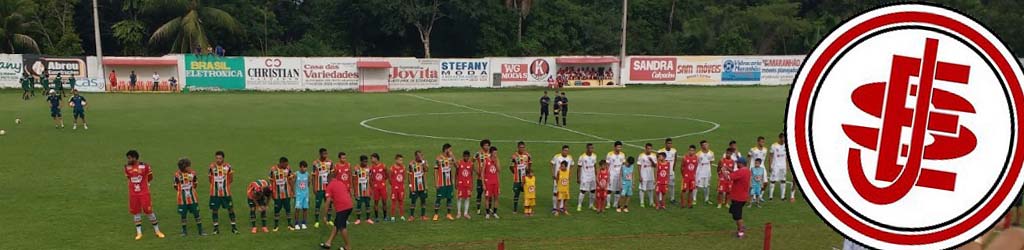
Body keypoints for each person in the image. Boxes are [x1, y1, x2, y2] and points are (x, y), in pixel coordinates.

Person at [124, 150, 166, 240]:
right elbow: (129, 178)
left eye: (129, 158)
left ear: (135, 158)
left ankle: (157, 231)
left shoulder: (145, 166)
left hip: (144, 193)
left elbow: (150, 177)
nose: (128, 160)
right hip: (133, 194)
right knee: (136, 212)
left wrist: (144, 185)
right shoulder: (127, 167)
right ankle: (139, 233)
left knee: (149, 211)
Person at [320, 171, 354, 250]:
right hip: (349, 205)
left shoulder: (330, 186)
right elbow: (342, 193)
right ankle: (328, 242)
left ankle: (348, 246)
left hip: (342, 208)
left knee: (342, 227)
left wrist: (324, 216)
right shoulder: (341, 183)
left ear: (329, 179)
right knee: (337, 224)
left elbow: (327, 201)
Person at [208, 151, 239, 235]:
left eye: (220, 158)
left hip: (226, 193)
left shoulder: (228, 167)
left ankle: (234, 227)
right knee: (215, 210)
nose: (218, 160)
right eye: (217, 158)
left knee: (230, 209)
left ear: (223, 159)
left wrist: (225, 186)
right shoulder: (211, 167)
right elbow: (210, 179)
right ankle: (215, 228)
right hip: (214, 193)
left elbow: (231, 179)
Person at [173, 157, 205, 236]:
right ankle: (184, 231)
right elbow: (175, 186)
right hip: (182, 199)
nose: (189, 167)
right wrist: (181, 191)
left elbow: (195, 183)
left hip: (193, 198)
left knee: (196, 213)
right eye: (188, 166)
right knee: (183, 215)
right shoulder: (177, 175)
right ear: (184, 167)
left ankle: (201, 230)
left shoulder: (193, 173)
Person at [322, 152, 350, 228]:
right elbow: (334, 175)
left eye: (345, 157)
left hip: (346, 187)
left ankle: (343, 219)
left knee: (343, 204)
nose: (344, 159)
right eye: (342, 158)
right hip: (339, 189)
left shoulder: (348, 165)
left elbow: (349, 175)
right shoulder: (336, 166)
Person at [268, 157, 295, 231]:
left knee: (288, 209)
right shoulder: (273, 169)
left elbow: (291, 180)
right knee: (277, 209)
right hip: (277, 194)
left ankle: (290, 224)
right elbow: (270, 181)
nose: (287, 166)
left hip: (287, 193)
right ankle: (276, 225)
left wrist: (293, 191)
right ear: (281, 163)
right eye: (285, 164)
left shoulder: (288, 169)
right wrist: (272, 192)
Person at [728, 158, 752, 238]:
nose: (736, 164)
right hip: (742, 197)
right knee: (735, 214)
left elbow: (729, 178)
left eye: (737, 163)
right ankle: (741, 227)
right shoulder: (747, 171)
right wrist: (729, 169)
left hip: (738, 197)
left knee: (738, 216)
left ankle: (741, 232)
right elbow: (736, 174)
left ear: (741, 163)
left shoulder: (741, 171)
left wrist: (723, 171)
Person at [312, 149, 334, 228]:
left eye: (326, 153)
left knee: (329, 203)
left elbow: (331, 175)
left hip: (328, 187)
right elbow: (313, 176)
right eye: (324, 153)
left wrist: (331, 186)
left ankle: (329, 219)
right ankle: (317, 221)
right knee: (318, 204)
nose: (325, 155)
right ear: (320, 154)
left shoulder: (330, 162)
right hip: (319, 187)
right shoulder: (315, 163)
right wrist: (314, 187)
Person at [434, 144, 456, 220]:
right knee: (438, 198)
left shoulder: (450, 158)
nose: (450, 151)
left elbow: (457, 166)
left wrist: (453, 157)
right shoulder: (438, 158)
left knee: (449, 198)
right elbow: (435, 171)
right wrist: (436, 182)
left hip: (449, 182)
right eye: (449, 149)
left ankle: (449, 214)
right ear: (445, 149)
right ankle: (436, 214)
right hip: (441, 182)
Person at [769, 133, 794, 202]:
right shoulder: (774, 146)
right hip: (775, 165)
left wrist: (787, 165)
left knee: (783, 180)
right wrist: (770, 165)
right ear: (780, 138)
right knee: (773, 180)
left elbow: (787, 157)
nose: (784, 140)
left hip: (783, 166)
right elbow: (770, 156)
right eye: (783, 138)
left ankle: (782, 196)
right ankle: (770, 196)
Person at [550, 145, 574, 213]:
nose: (566, 152)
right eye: (565, 150)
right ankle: (554, 208)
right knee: (555, 193)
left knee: (564, 193)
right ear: (562, 150)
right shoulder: (557, 156)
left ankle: (561, 207)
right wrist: (553, 174)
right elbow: (552, 164)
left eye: (567, 150)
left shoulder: (570, 157)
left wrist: (570, 175)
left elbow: (572, 165)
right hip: (558, 178)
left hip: (565, 179)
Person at [510, 141, 532, 214]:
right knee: (516, 194)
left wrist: (528, 173)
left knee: (527, 194)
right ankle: (515, 209)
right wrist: (515, 173)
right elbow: (511, 166)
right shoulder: (514, 156)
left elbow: (530, 165)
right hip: (517, 179)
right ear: (518, 147)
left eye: (523, 147)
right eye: (520, 147)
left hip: (526, 179)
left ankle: (527, 209)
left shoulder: (528, 155)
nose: (522, 149)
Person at [407, 151, 429, 221]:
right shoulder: (411, 164)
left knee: (423, 201)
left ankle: (423, 216)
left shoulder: (424, 162)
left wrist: (423, 163)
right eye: (419, 156)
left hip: (422, 185)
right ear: (415, 156)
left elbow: (426, 170)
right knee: (413, 201)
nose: (420, 157)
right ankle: (411, 216)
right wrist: (410, 186)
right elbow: (409, 175)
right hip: (414, 186)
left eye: (421, 155)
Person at [658, 138, 680, 204]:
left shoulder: (674, 151)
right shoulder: (660, 151)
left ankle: (672, 199)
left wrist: (673, 168)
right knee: (661, 186)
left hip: (671, 172)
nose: (669, 145)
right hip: (662, 173)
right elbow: (658, 161)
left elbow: (675, 159)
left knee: (672, 185)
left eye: (671, 143)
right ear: (665, 144)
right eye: (668, 143)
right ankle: (660, 199)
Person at [576, 143, 598, 211]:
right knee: (583, 190)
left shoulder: (594, 156)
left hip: (592, 176)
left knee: (593, 190)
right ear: (587, 148)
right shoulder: (582, 157)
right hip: (585, 176)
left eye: (592, 148)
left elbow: (595, 166)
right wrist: (578, 178)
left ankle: (591, 205)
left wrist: (596, 175)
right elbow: (579, 167)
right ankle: (579, 205)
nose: (591, 149)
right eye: (590, 148)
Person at [748, 137, 769, 203]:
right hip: (753, 167)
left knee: (765, 182)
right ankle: (753, 197)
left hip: (762, 167)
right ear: (758, 142)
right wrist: (749, 167)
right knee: (753, 183)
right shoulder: (753, 149)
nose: (762, 143)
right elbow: (748, 157)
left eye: (763, 142)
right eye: (761, 141)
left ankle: (760, 195)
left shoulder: (765, 149)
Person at [369, 153, 389, 223]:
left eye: (372, 158)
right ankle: (377, 217)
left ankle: (385, 216)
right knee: (376, 202)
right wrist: (372, 186)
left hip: (382, 187)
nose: (371, 160)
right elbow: (370, 178)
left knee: (384, 202)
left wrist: (383, 181)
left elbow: (387, 174)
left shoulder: (383, 166)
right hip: (376, 188)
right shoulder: (371, 168)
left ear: (376, 158)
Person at [352, 155, 372, 225]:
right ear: (361, 161)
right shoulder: (356, 169)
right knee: (359, 205)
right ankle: (358, 219)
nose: (365, 163)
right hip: (359, 190)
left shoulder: (369, 168)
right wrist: (355, 191)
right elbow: (354, 180)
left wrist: (371, 189)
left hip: (367, 190)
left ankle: (368, 218)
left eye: (366, 161)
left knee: (368, 204)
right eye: (364, 162)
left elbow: (370, 179)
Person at [483, 146, 502, 219]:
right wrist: (483, 183)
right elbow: (482, 173)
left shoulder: (496, 160)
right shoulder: (486, 161)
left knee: (496, 198)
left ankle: (495, 212)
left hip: (495, 182)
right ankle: (487, 213)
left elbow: (499, 170)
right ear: (491, 153)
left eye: (496, 153)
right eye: (494, 153)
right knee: (487, 198)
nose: (495, 154)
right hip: (488, 182)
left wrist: (496, 161)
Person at [606, 141, 626, 209]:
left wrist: (623, 174)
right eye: (618, 147)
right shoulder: (610, 154)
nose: (619, 148)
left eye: (620, 147)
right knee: (609, 189)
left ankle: (615, 203)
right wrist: (607, 174)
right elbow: (607, 165)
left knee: (618, 189)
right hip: (611, 173)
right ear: (614, 147)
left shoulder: (622, 154)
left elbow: (623, 165)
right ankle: (608, 204)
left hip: (619, 174)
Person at [473, 140, 491, 214]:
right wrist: (476, 171)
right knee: (479, 193)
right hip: (480, 178)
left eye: (488, 145)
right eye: (485, 145)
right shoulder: (478, 153)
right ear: (482, 146)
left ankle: (489, 208)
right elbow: (471, 162)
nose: (486, 147)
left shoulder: (491, 154)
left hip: (489, 177)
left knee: (489, 194)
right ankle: (478, 208)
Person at [456, 151, 475, 219]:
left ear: (469, 157)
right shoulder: (459, 162)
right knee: (459, 198)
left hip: (468, 183)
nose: (466, 158)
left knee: (467, 198)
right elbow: (457, 173)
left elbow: (471, 174)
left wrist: (472, 184)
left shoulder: (471, 164)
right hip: (460, 183)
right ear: (463, 156)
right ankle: (459, 213)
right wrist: (456, 182)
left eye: (467, 156)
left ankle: (465, 213)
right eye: (465, 156)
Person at [637, 143, 657, 208]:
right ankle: (641, 202)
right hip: (644, 174)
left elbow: (655, 166)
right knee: (642, 189)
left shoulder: (654, 155)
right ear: (645, 148)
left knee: (651, 189)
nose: (649, 150)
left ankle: (651, 202)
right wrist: (640, 175)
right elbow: (639, 165)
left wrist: (652, 161)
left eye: (650, 149)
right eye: (648, 149)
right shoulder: (641, 155)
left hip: (651, 175)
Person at [388, 155, 407, 222]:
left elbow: (404, 177)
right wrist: (394, 185)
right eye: (399, 160)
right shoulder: (392, 168)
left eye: (402, 160)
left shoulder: (403, 167)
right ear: (396, 160)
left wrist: (402, 185)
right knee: (394, 202)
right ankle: (392, 216)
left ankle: (402, 215)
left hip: (401, 188)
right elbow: (389, 179)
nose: (401, 161)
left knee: (401, 202)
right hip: (394, 188)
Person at [696, 140, 716, 205]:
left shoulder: (711, 153)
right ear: (701, 146)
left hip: (707, 170)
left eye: (707, 144)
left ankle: (706, 199)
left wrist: (708, 169)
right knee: (696, 185)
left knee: (707, 185)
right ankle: (694, 199)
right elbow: (696, 163)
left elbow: (711, 162)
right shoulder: (698, 154)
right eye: (704, 145)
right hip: (700, 170)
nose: (706, 146)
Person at [294, 161, 311, 229]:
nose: (305, 169)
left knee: (305, 208)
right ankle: (296, 223)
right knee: (297, 209)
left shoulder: (307, 174)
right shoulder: (296, 174)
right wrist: (293, 192)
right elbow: (292, 182)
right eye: (304, 167)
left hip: (305, 194)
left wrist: (306, 191)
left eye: (306, 167)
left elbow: (309, 183)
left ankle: (304, 223)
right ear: (300, 167)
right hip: (298, 194)